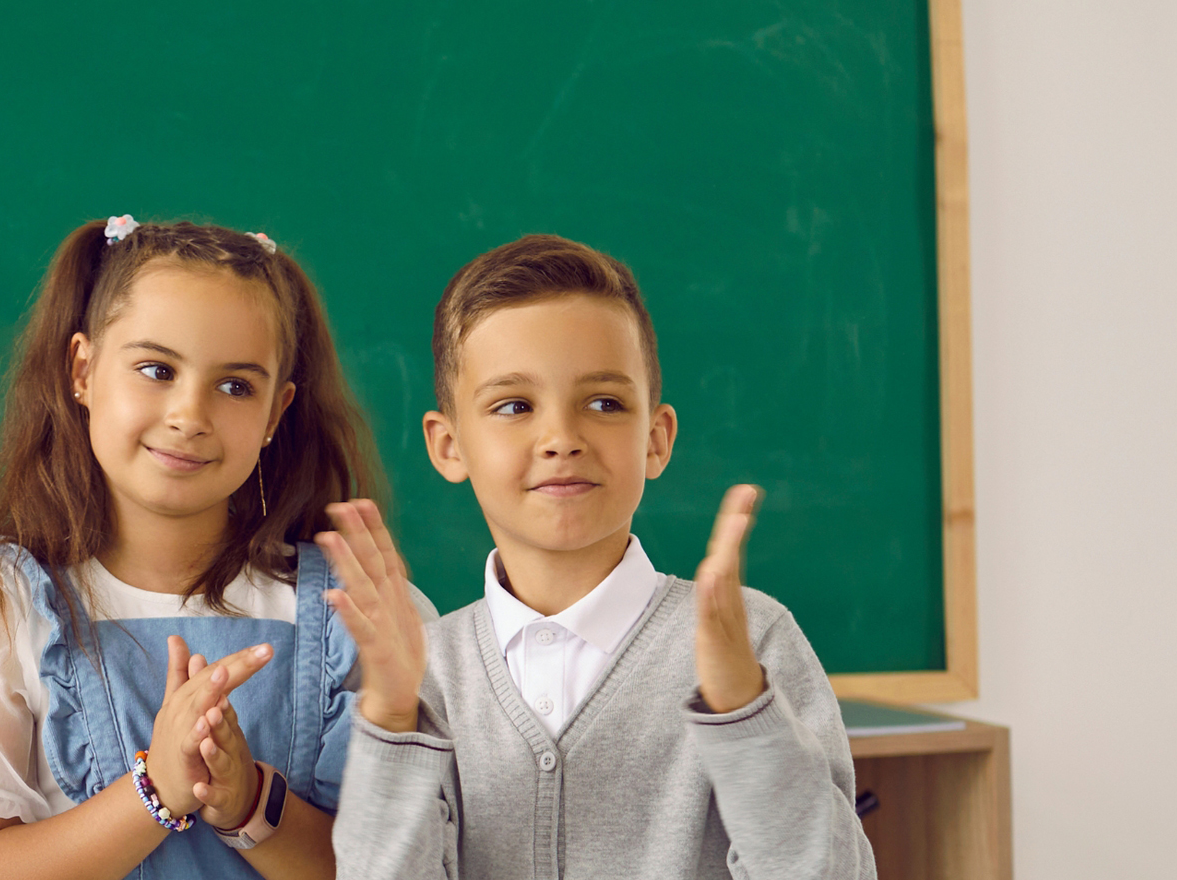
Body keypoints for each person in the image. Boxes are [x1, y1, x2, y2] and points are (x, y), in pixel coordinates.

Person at [324, 234, 871, 879]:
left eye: (605, 403)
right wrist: (391, 721)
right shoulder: (426, 674)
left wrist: (743, 713)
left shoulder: (752, 641)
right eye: (515, 406)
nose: (561, 438)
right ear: (449, 446)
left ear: (656, 439)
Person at [0, 219, 385, 880]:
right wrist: (157, 791)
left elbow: (396, 857)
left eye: (235, 385)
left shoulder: (352, 609)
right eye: (156, 369)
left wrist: (248, 803)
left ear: (275, 412)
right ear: (82, 370)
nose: (188, 413)